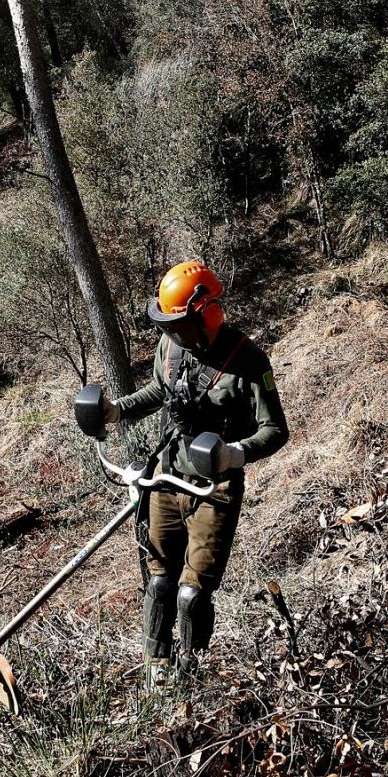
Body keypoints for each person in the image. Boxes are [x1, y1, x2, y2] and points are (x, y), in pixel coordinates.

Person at [98, 260, 289, 685]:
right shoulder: (170, 347)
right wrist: (115, 411)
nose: (174, 335)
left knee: (191, 593)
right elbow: (159, 392)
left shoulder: (248, 360)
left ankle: (190, 676)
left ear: (208, 314)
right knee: (160, 585)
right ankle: (156, 673)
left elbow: (276, 430)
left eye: (181, 327)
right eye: (168, 327)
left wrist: (234, 455)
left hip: (214, 489)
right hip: (165, 479)